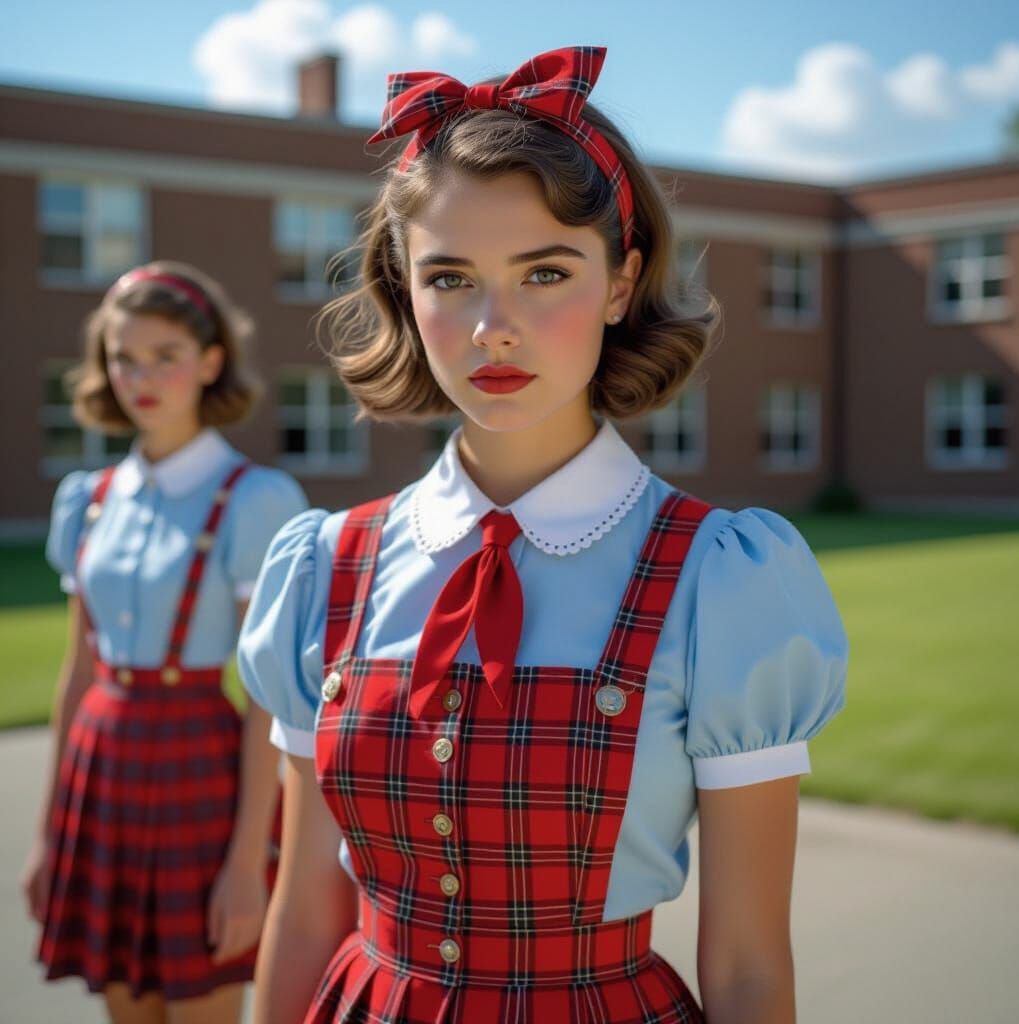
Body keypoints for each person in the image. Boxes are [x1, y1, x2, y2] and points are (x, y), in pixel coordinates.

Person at [238, 46, 848, 1024]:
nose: (493, 327)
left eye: (545, 271)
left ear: (620, 281)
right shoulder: (324, 568)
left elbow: (743, 964)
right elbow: (307, 908)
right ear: (404, 289)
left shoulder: (720, 580)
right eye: (451, 278)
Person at [21, 260, 308, 1023]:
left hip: (199, 770)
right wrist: (51, 836)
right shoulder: (88, 499)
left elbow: (264, 699)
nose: (140, 378)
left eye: (165, 357)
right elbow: (79, 670)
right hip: (101, 766)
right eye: (123, 358)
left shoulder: (255, 499)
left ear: (210, 362)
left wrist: (246, 863)